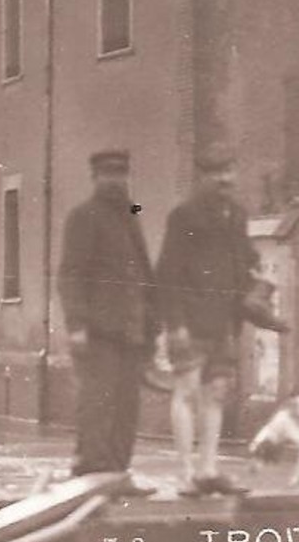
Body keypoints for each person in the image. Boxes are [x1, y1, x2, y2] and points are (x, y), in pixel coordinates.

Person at [155, 142, 256, 498]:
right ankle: (185, 474)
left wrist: (254, 280)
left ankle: (208, 469)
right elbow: (167, 272)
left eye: (230, 171)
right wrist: (175, 324)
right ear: (202, 177)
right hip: (190, 320)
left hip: (224, 322)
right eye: (217, 173)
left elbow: (244, 262)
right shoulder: (184, 217)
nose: (226, 179)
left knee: (216, 393)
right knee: (185, 392)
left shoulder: (238, 216)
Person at [57, 149, 159, 495]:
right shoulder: (83, 217)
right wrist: (77, 325)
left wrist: (151, 324)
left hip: (132, 330)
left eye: (121, 175)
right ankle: (91, 473)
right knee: (97, 402)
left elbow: (144, 272)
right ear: (96, 178)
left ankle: (117, 475)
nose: (116, 182)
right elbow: (71, 275)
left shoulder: (131, 215)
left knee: (126, 406)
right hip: (98, 331)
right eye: (108, 175)